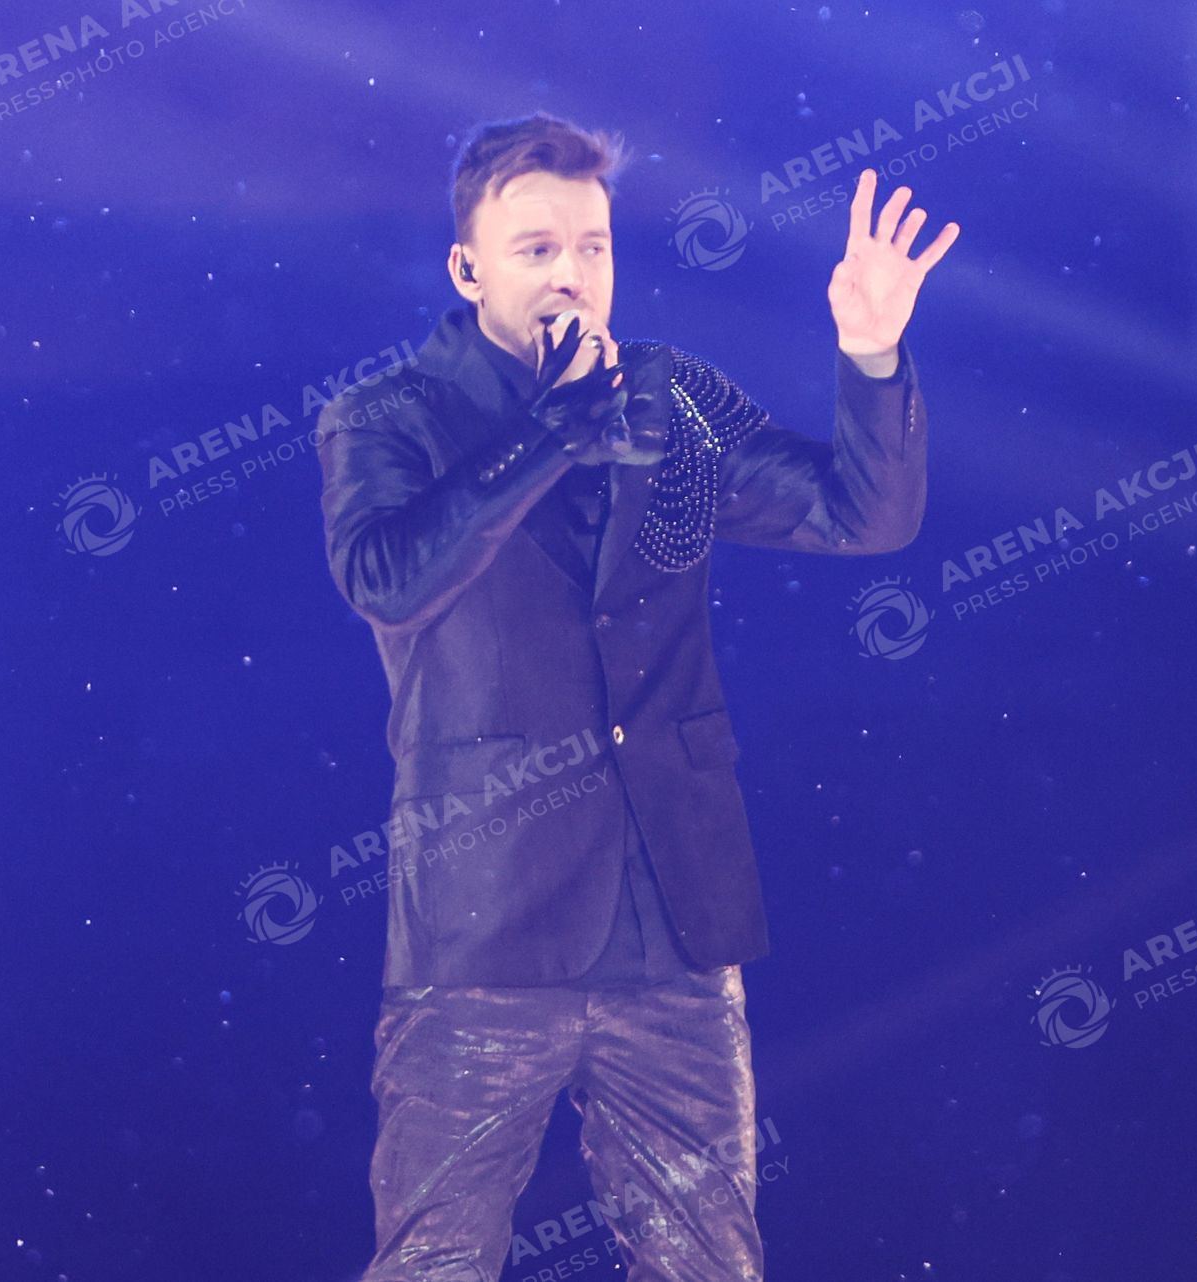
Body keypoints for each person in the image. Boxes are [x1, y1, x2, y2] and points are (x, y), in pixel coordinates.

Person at [313, 111, 959, 1282]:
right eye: (536, 248)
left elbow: (859, 515)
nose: (572, 272)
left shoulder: (671, 400)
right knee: (434, 1266)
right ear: (466, 268)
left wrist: (871, 356)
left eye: (593, 246)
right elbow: (389, 578)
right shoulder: (389, 416)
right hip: (484, 936)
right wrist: (550, 432)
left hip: (675, 924)